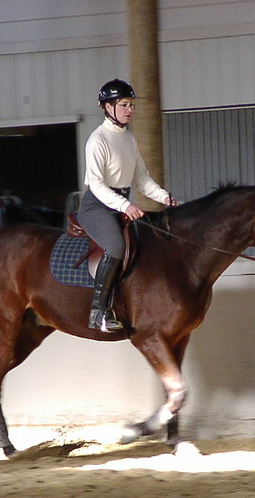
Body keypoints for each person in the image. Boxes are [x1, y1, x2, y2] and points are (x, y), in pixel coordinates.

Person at [78, 78, 174, 332]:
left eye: (131, 105)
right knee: (116, 246)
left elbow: (141, 178)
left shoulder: (129, 139)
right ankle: (98, 311)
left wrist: (164, 197)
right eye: (124, 104)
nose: (130, 110)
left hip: (118, 203)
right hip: (97, 206)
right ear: (108, 107)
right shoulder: (98, 140)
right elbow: (96, 184)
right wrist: (125, 205)